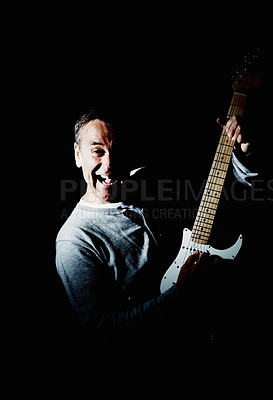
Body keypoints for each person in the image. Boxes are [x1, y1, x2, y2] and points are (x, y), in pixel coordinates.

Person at [55, 109, 256, 361]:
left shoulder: (149, 181)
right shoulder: (75, 239)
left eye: (116, 150)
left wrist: (244, 152)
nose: (110, 166)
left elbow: (235, 197)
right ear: (77, 154)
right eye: (97, 151)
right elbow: (102, 333)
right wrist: (181, 294)